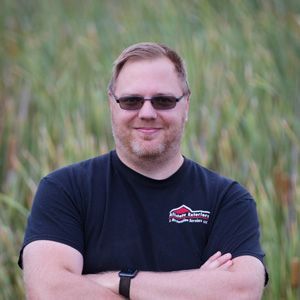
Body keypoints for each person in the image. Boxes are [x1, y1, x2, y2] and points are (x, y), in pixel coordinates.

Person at [19, 42, 268, 299]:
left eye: (163, 100)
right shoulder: (65, 190)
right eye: (131, 101)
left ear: (186, 105)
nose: (147, 113)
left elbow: (241, 292)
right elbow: (49, 292)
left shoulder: (227, 200)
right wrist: (193, 289)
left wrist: (117, 281)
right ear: (111, 104)